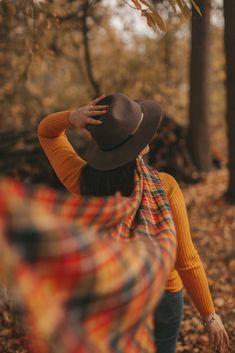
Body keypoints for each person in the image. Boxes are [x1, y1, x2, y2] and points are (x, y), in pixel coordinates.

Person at [38, 93, 229, 353]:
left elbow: (47, 134)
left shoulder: (82, 181)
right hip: (162, 293)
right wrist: (210, 317)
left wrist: (72, 117)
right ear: (139, 144)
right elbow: (186, 260)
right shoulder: (166, 186)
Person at [0, 177, 176, 353]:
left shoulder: (81, 176)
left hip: (94, 295)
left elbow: (56, 150)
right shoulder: (165, 183)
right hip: (164, 290)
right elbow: (187, 259)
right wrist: (205, 314)